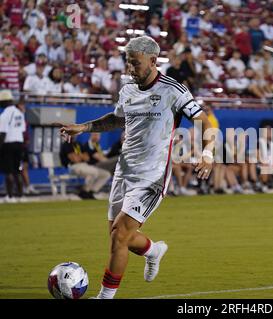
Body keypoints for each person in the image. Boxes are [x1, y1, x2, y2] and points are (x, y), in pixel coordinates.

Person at [58, 36, 214, 299]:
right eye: (128, 63)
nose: (131, 68)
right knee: (119, 236)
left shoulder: (173, 90)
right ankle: (153, 250)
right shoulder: (128, 89)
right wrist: (83, 128)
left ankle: (105, 297)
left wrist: (208, 153)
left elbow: (204, 121)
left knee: (119, 236)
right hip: (124, 171)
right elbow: (116, 120)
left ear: (153, 61)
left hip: (152, 177)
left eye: (136, 63)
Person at [0, 90, 25, 203]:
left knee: (9, 171)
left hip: (8, 144)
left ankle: (10, 197)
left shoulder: (4, 115)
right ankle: (20, 196)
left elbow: (3, 133)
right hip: (19, 143)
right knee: (17, 171)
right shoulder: (19, 113)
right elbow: (22, 130)